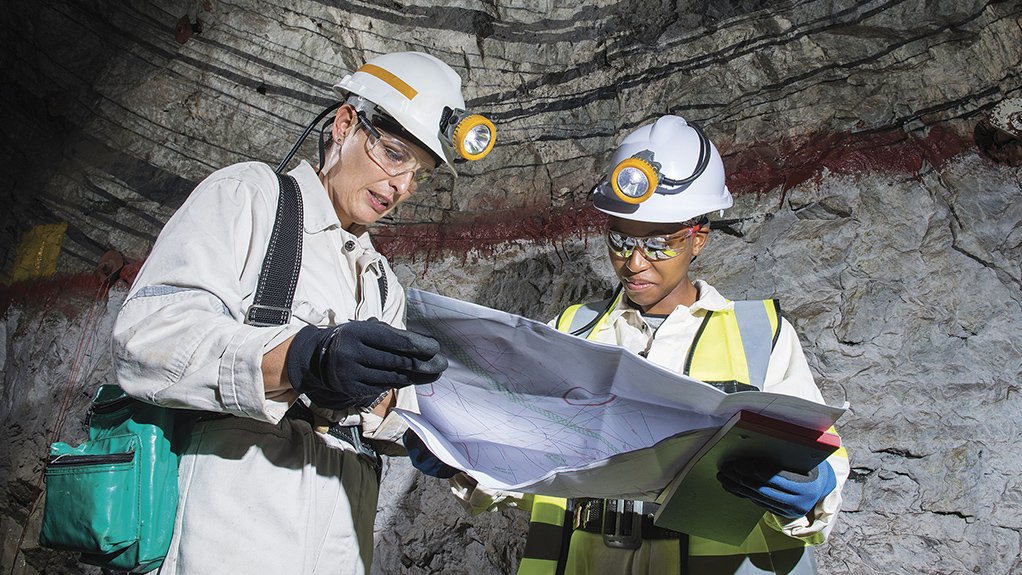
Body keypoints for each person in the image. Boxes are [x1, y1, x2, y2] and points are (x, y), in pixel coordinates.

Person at [409, 115, 849, 575]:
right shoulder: (570, 331)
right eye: (619, 240)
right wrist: (461, 456)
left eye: (659, 244)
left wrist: (814, 486)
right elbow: (527, 458)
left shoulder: (761, 334)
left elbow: (826, 460)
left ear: (698, 237)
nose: (634, 263)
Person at [112, 51, 495, 574]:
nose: (401, 186)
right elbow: (147, 339)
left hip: (341, 537)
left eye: (420, 175)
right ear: (344, 125)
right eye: (393, 153)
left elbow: (378, 411)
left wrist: (426, 434)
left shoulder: (381, 280)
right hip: (234, 532)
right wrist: (300, 357)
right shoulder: (250, 198)